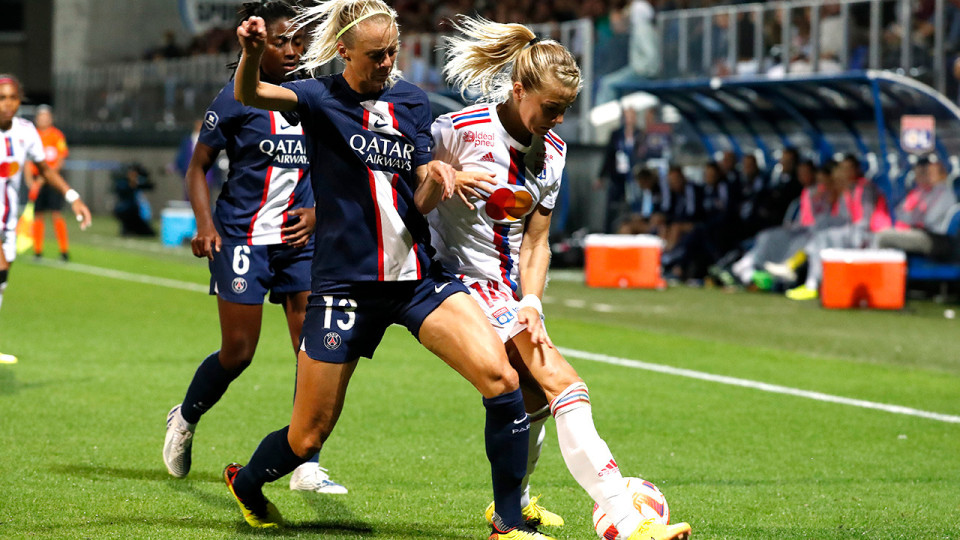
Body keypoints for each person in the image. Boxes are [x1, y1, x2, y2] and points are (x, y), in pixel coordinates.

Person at [226, 3, 547, 539]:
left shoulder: (411, 102)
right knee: (307, 438)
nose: (386, 63)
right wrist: (252, 55)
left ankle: (508, 524)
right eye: (375, 55)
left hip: (417, 280)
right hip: (344, 288)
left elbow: (419, 196)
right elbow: (251, 94)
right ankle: (248, 482)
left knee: (502, 379)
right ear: (345, 52)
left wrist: (437, 176)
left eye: (393, 52)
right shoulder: (317, 96)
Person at [429, 16, 692, 540]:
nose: (557, 120)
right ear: (518, 89)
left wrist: (532, 300)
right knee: (565, 383)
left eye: (565, 110)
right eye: (550, 108)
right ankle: (628, 518)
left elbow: (536, 240)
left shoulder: (552, 151)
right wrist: (446, 178)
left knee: (532, 398)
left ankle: (514, 508)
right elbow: (408, 198)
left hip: (505, 288)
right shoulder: (456, 133)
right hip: (455, 280)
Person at [162, 0, 346, 496]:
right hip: (242, 236)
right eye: (279, 41)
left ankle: (306, 462)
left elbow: (341, 169)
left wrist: (318, 214)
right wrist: (204, 223)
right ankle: (185, 416)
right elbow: (197, 166)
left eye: (297, 41)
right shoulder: (234, 99)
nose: (290, 50)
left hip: (300, 244)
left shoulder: (319, 98)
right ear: (259, 44)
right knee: (239, 353)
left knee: (314, 354)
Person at [0, 74, 92, 364]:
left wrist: (72, 196)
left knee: (3, 279)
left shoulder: (26, 131)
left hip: (9, 220)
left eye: (13, 97)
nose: (8, 103)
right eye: (2, 97)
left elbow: (46, 168)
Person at [872, 156, 959, 259]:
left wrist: (913, 215)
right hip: (921, 233)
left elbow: (928, 220)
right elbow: (899, 214)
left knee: (884, 237)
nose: (921, 177)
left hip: (937, 239)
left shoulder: (945, 193)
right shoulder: (920, 192)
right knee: (880, 232)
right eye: (918, 173)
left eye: (926, 172)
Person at [27, 105, 71, 261]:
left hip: (53, 181)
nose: (43, 119)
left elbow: (60, 160)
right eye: (41, 116)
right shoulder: (32, 136)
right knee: (38, 215)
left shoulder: (57, 136)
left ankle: (64, 251)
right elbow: (27, 162)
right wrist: (31, 182)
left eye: (46, 116)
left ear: (50, 118)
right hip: (37, 181)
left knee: (56, 213)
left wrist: (44, 178)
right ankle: (37, 251)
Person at [595, 105, 640, 233]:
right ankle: (608, 232)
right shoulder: (616, 134)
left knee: (633, 204)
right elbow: (609, 155)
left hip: (633, 176)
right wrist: (601, 176)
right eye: (627, 116)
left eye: (632, 116)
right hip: (617, 175)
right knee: (612, 205)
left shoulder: (639, 134)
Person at [112, 163, 156, 237]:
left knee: (149, 233)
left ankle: (133, 228)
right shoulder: (123, 183)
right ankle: (127, 228)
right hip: (127, 210)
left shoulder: (138, 182)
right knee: (128, 212)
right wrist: (131, 183)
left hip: (137, 213)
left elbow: (150, 186)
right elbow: (121, 190)